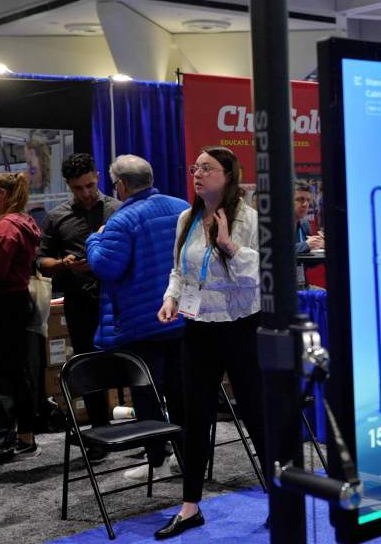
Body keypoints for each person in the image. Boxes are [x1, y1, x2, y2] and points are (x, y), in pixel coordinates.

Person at [155, 146, 266, 539]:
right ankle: (190, 507)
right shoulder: (185, 218)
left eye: (207, 168)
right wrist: (170, 298)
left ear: (228, 175)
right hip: (198, 326)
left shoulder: (249, 219)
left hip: (239, 325)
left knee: (254, 414)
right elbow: (178, 270)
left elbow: (258, 278)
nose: (198, 174)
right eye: (195, 168)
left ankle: (279, 497)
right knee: (194, 417)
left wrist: (228, 244)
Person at [84, 155, 188, 480]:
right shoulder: (182, 207)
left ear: (122, 185)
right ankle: (187, 457)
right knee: (181, 391)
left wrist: (94, 238)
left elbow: (106, 267)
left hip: (142, 324)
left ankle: (156, 460)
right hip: (182, 316)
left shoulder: (121, 220)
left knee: (147, 395)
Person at [36, 153, 120, 462]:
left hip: (118, 300)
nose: (85, 193)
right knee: (89, 366)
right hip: (80, 303)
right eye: (77, 188)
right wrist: (65, 264)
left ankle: (149, 433)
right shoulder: (57, 217)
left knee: (134, 362)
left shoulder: (117, 210)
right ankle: (99, 432)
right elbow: (41, 262)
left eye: (89, 185)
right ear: (69, 186)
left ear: (98, 176)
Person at [0, 172, 42, 458]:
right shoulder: (23, 223)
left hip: (4, 304)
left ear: (2, 193)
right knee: (17, 371)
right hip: (16, 301)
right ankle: (24, 433)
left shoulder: (5, 228)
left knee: (8, 373)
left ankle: (16, 435)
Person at [294, 180, 324, 254]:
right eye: (300, 199)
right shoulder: (278, 224)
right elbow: (278, 252)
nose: (305, 204)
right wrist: (306, 245)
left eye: (308, 200)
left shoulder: (305, 224)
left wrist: (319, 244)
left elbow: (309, 260)